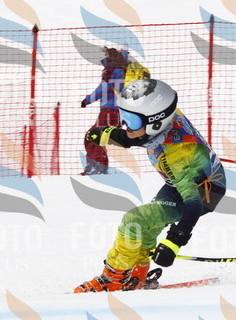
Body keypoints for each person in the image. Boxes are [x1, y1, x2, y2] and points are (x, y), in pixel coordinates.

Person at [74, 79, 226, 293]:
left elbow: (193, 205)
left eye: (131, 120)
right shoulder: (161, 121)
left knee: (134, 220)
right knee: (147, 223)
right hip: (180, 181)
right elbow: (142, 135)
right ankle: (137, 273)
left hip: (204, 192)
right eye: (124, 117)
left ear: (155, 123)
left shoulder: (178, 155)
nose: (125, 125)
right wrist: (111, 135)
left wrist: (174, 241)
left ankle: (114, 278)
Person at [79, 47, 129, 175]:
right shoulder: (122, 70)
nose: (105, 57)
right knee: (94, 136)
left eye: (106, 54)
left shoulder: (112, 71)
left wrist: (87, 100)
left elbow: (102, 89)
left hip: (109, 112)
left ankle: (98, 168)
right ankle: (97, 166)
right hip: (116, 112)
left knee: (93, 136)